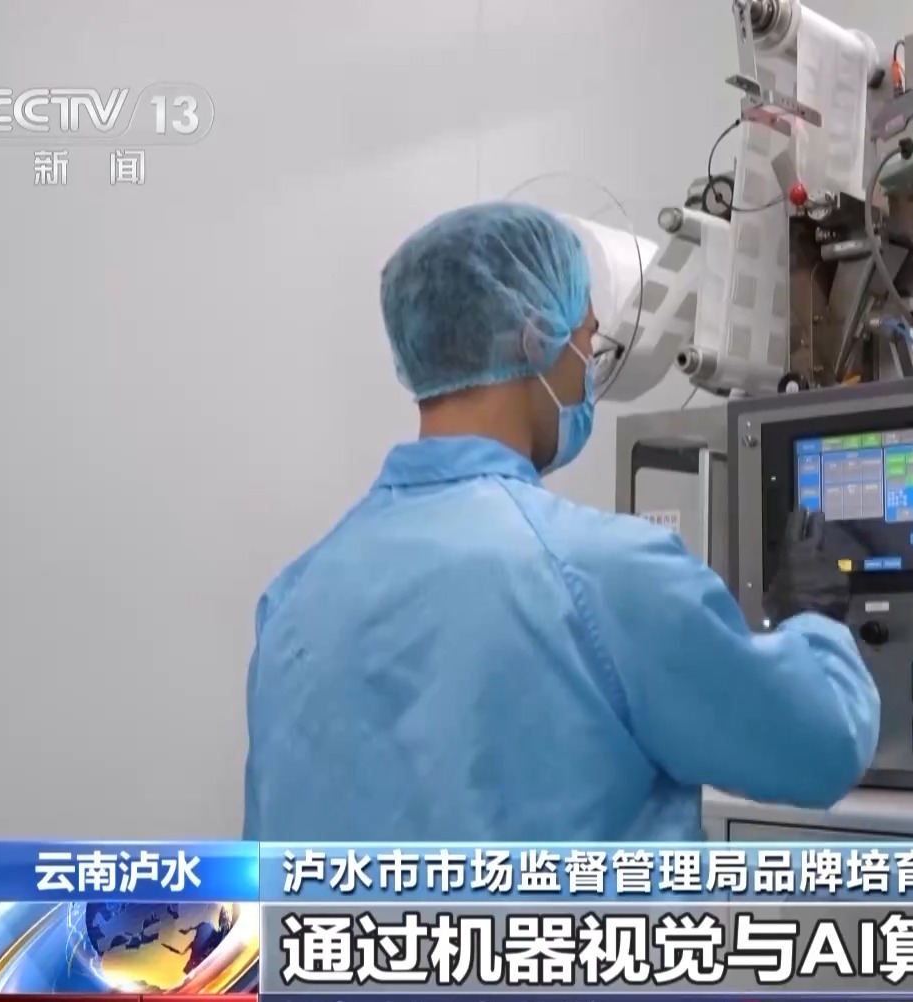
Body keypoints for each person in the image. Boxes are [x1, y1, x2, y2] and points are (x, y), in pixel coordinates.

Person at [242, 202, 880, 841]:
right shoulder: (607, 576)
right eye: (589, 342)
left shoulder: (296, 594)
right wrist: (815, 621)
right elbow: (820, 750)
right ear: (536, 338)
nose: (589, 373)